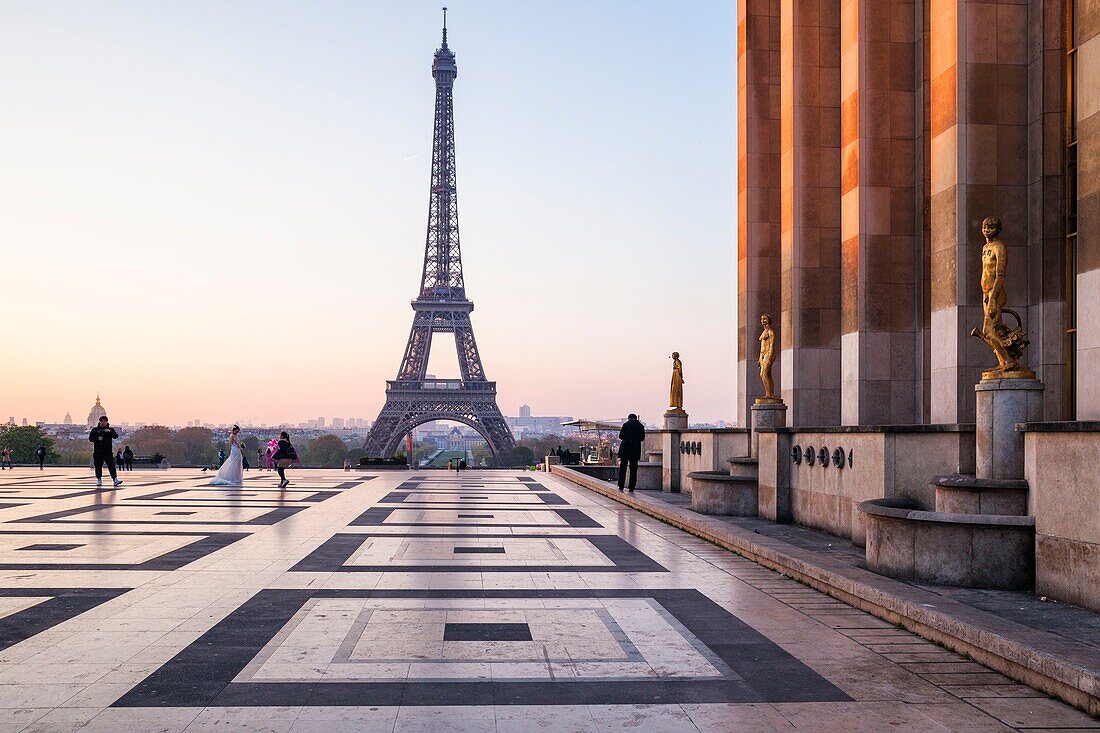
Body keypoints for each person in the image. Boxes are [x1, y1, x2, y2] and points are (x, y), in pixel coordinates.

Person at [89, 415, 122, 487]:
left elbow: (116, 436)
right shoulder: (95, 430)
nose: (103, 423)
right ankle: (99, 479)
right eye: (102, 421)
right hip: (98, 452)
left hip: (108, 451)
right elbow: (90, 438)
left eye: (105, 421)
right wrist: (97, 439)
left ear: (107, 422)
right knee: (98, 466)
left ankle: (115, 479)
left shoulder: (110, 429)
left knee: (111, 466)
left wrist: (109, 431)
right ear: (99, 422)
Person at [617, 413, 645, 492]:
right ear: (636, 418)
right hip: (635, 449)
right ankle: (631, 487)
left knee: (623, 468)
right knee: (633, 469)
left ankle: (621, 485)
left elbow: (621, 436)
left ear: (629, 418)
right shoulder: (640, 426)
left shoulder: (626, 425)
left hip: (625, 449)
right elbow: (642, 438)